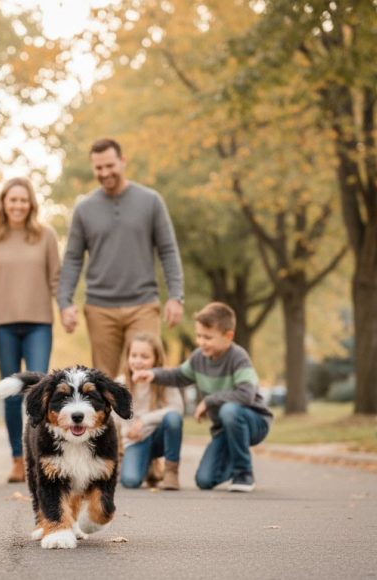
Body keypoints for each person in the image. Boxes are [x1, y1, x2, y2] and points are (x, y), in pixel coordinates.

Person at [57, 137, 185, 378]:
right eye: (98, 168)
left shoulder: (151, 201)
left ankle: (145, 418)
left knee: (144, 373)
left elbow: (168, 250)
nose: (105, 173)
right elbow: (73, 258)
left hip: (143, 304)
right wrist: (65, 302)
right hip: (100, 307)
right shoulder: (84, 209)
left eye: (110, 166)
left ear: (123, 161)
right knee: (103, 381)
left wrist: (176, 296)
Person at [133, 302, 273, 492]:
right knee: (204, 480)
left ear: (228, 336)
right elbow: (178, 376)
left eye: (207, 337)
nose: (201, 342)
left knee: (229, 410)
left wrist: (208, 401)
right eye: (199, 336)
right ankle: (233, 458)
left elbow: (246, 395)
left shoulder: (238, 357)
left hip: (253, 421)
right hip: (225, 429)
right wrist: (154, 374)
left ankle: (243, 473)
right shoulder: (199, 358)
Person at [0, 177, 60, 484]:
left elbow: (56, 277)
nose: (17, 205)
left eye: (23, 200)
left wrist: (65, 308)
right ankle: (18, 459)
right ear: (3, 202)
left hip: (39, 321)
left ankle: (40, 453)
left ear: (31, 204)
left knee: (40, 390)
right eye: (12, 200)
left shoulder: (45, 235)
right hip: (3, 326)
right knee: (12, 394)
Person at [116, 333, 184, 490]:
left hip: (160, 435)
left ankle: (171, 472)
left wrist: (144, 421)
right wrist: (128, 431)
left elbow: (177, 409)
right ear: (128, 357)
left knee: (173, 418)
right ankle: (147, 464)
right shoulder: (121, 382)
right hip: (136, 440)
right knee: (130, 481)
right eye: (134, 356)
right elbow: (115, 416)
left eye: (145, 357)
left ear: (156, 359)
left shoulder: (165, 379)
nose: (138, 361)